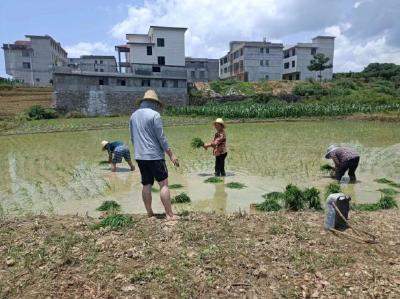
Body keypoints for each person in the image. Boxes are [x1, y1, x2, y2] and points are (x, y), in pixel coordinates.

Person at [129, 90, 179, 221]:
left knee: (146, 184)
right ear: (154, 103)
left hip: (140, 156)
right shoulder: (155, 115)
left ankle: (150, 212)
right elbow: (161, 138)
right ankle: (169, 214)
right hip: (155, 156)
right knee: (163, 184)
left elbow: (133, 138)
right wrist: (171, 155)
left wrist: (140, 151)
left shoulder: (133, 116)